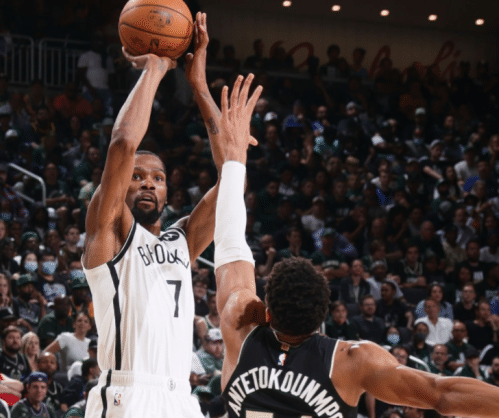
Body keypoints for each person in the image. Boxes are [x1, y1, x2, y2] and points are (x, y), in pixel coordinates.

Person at [211, 74, 499, 418]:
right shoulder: (350, 362)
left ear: (267, 312)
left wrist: (234, 153)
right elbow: (443, 394)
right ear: (323, 317)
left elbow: (229, 236)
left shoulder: (240, 328)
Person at [81, 14, 227, 418]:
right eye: (137, 176)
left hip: (181, 398)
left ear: (168, 191)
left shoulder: (182, 242)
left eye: (158, 178)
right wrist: (156, 68)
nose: (147, 183)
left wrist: (199, 86)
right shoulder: (109, 234)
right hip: (128, 392)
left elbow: (231, 177)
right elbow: (124, 143)